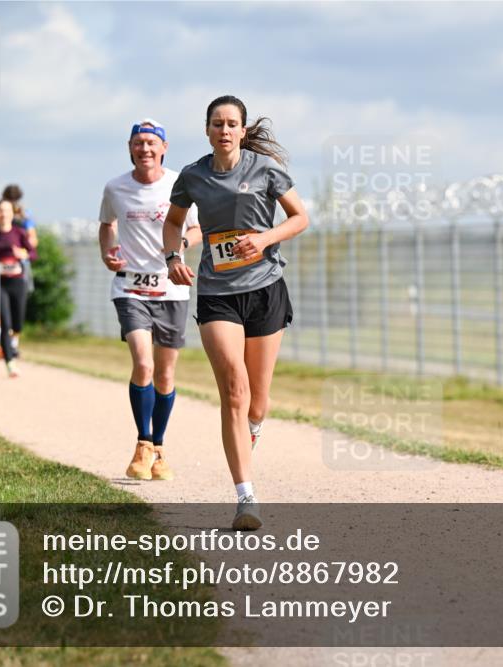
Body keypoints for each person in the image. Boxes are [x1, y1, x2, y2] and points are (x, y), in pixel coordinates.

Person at [165, 95, 309, 530]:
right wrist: (173, 256)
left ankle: (248, 437)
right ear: (207, 130)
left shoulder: (264, 170)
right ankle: (246, 498)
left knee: (258, 403)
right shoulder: (193, 176)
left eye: (232, 124)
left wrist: (264, 240)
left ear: (243, 131)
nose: (224, 130)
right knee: (234, 389)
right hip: (217, 293)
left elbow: (299, 218)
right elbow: (174, 222)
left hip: (265, 289)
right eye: (217, 123)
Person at [99, 118, 196, 482]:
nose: (145, 149)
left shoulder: (180, 185)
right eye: (138, 143)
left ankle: (159, 447)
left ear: (164, 148)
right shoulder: (115, 188)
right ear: (129, 148)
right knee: (144, 364)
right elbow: (107, 225)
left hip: (171, 287)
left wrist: (181, 247)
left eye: (151, 143)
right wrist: (109, 252)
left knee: (166, 373)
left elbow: (196, 227)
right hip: (130, 288)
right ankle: (142, 442)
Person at [0, 200, 36, 378]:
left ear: (12, 213)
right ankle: (10, 363)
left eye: (6, 211)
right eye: (0, 211)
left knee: (17, 323)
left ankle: (12, 343)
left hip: (18, 282)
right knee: (5, 323)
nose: (3, 214)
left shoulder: (19, 233)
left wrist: (23, 254)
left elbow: (33, 253)